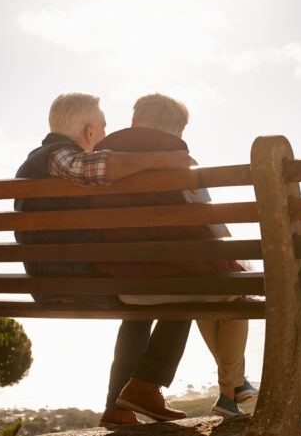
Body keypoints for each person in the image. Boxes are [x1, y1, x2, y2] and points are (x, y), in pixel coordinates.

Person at [14, 93, 194, 426]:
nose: (106, 134)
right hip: (75, 278)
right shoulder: (55, 156)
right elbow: (89, 167)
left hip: (59, 277)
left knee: (143, 305)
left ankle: (119, 408)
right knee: (186, 290)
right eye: (103, 126)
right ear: (89, 131)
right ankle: (145, 386)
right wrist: (161, 160)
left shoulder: (41, 163)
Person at [92, 93, 258, 419]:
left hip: (124, 284)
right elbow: (213, 227)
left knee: (192, 288)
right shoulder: (181, 165)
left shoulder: (100, 165)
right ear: (180, 134)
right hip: (177, 282)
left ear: (134, 122)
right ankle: (233, 385)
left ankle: (122, 404)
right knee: (237, 288)